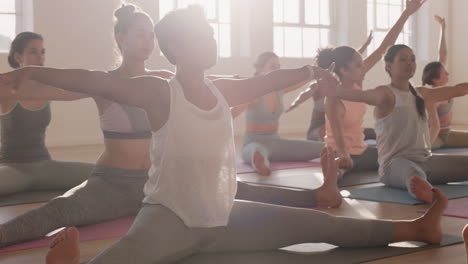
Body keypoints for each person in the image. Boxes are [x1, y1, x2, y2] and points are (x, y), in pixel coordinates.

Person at [0, 5, 448, 264]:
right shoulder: (159, 91)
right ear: (176, 49)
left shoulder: (222, 88)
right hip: (169, 218)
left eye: (212, 33)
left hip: (225, 216)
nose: (212, 41)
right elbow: (95, 81)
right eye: (202, 36)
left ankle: (417, 227)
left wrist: (314, 70)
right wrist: (33, 71)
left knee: (321, 225)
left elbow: (270, 82)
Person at [323, 43, 468, 203]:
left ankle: (421, 183)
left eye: (412, 59)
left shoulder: (422, 93)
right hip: (394, 166)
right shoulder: (385, 93)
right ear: (389, 65)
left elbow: (458, 89)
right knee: (412, 173)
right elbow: (364, 96)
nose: (410, 63)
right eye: (403, 60)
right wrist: (334, 91)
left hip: (425, 160)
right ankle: (421, 188)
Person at [0, 31, 95, 196]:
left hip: (45, 167)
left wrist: (110, 87)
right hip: (12, 168)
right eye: (33, 52)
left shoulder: (46, 89)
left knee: (104, 174)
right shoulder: (6, 89)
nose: (40, 57)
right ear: (18, 57)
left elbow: (80, 90)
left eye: (42, 52)